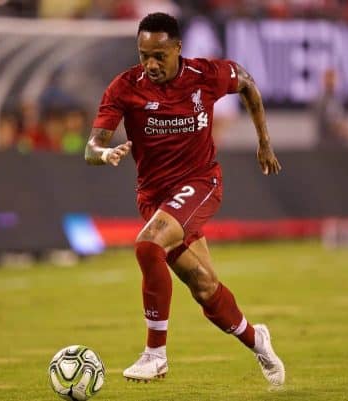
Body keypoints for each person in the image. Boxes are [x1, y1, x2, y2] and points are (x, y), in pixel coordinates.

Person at [84, 13, 285, 385]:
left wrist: (264, 141)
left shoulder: (205, 76)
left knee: (147, 246)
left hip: (200, 182)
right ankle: (258, 340)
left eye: (159, 55)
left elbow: (247, 83)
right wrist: (104, 153)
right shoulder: (125, 87)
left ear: (178, 48)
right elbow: (91, 145)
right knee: (205, 286)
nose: (151, 64)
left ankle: (154, 355)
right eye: (144, 55)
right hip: (154, 197)